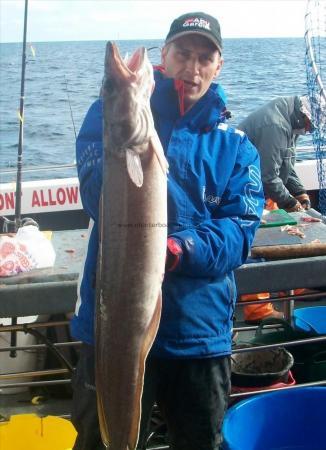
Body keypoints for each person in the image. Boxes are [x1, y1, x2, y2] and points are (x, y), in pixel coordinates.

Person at [70, 11, 264, 450]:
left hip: (200, 334)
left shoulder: (236, 146)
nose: (192, 68)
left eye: (203, 58)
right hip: (113, 322)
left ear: (219, 66)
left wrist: (180, 248)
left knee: (200, 441)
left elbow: (239, 232)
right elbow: (96, 191)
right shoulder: (106, 117)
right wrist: (126, 107)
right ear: (164, 55)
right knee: (100, 439)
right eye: (182, 54)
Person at [238, 96, 313, 323]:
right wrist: (291, 203)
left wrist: (299, 192)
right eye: (312, 125)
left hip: (264, 191)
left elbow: (285, 165)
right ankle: (257, 310)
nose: (310, 131)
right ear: (305, 115)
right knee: (259, 243)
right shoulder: (275, 125)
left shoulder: (291, 122)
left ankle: (289, 286)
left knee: (285, 234)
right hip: (245, 192)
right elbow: (268, 176)